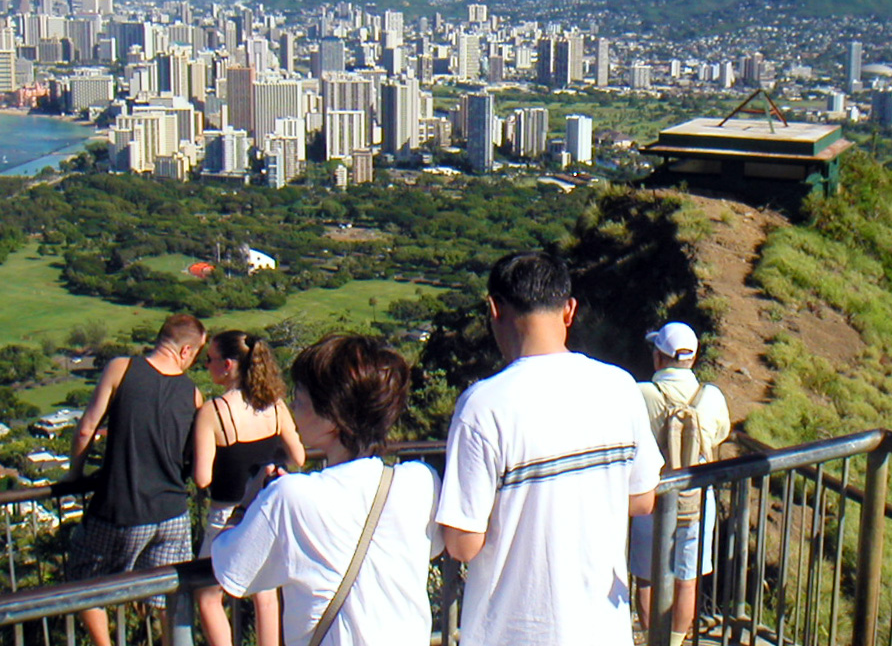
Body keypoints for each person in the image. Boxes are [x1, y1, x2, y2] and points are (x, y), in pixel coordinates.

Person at [436, 251, 664, 646]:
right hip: (603, 629)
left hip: (513, 631)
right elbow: (643, 499)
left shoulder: (483, 406)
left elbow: (462, 543)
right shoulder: (619, 387)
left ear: (494, 309)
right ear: (569, 309)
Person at [210, 334, 443, 646]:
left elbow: (230, 568)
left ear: (333, 417)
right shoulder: (420, 481)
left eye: (301, 400)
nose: (293, 407)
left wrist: (247, 504)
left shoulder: (290, 495)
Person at [65, 313, 207, 646]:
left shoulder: (121, 369)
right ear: (186, 351)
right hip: (172, 512)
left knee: (86, 580)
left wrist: (75, 474)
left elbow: (87, 428)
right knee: (170, 596)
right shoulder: (193, 394)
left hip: (122, 508)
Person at [193, 331, 306, 646]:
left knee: (207, 594)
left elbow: (202, 477)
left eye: (210, 359)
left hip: (227, 514)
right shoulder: (275, 405)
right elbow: (298, 456)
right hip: (266, 511)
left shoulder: (213, 412)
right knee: (265, 594)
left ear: (228, 365)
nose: (207, 365)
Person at [630, 322, 730, 646]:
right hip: (698, 494)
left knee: (647, 579)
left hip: (653, 492)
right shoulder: (711, 397)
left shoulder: (643, 394)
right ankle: (674, 643)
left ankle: (651, 639)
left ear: (659, 358)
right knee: (687, 580)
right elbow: (721, 433)